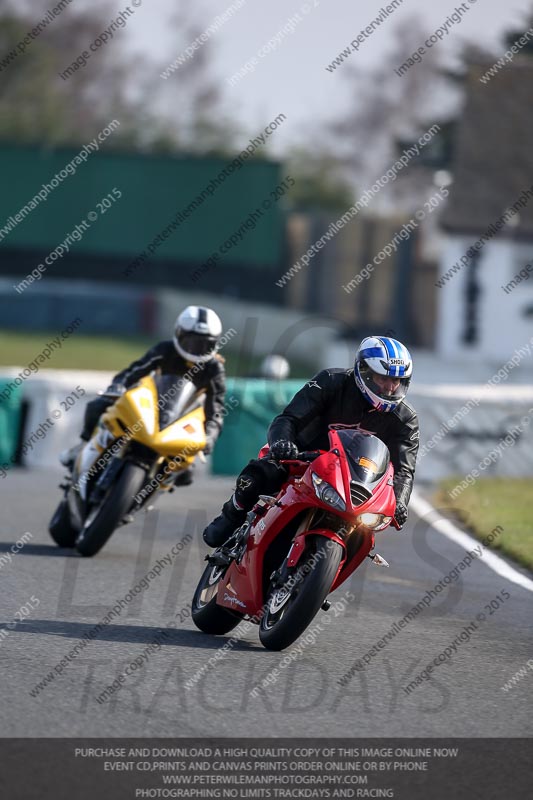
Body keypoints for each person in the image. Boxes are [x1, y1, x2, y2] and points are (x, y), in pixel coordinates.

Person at [203, 335, 419, 546]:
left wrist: (400, 501)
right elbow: (288, 419)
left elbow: (404, 470)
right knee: (261, 473)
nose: (390, 387)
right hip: (303, 458)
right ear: (364, 372)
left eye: (396, 380)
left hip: (355, 481)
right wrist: (282, 444)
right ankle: (231, 516)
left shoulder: (405, 419)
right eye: (383, 378)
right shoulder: (331, 381)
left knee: (366, 533)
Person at [60, 306, 227, 482]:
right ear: (179, 334)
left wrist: (210, 435)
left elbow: (216, 407)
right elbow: (134, 371)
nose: (197, 349)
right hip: (151, 403)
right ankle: (82, 446)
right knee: (98, 405)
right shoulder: (166, 349)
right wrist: (118, 386)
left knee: (186, 474)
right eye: (192, 343)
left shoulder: (214, 368)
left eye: (205, 345)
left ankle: (155, 487)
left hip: (182, 418)